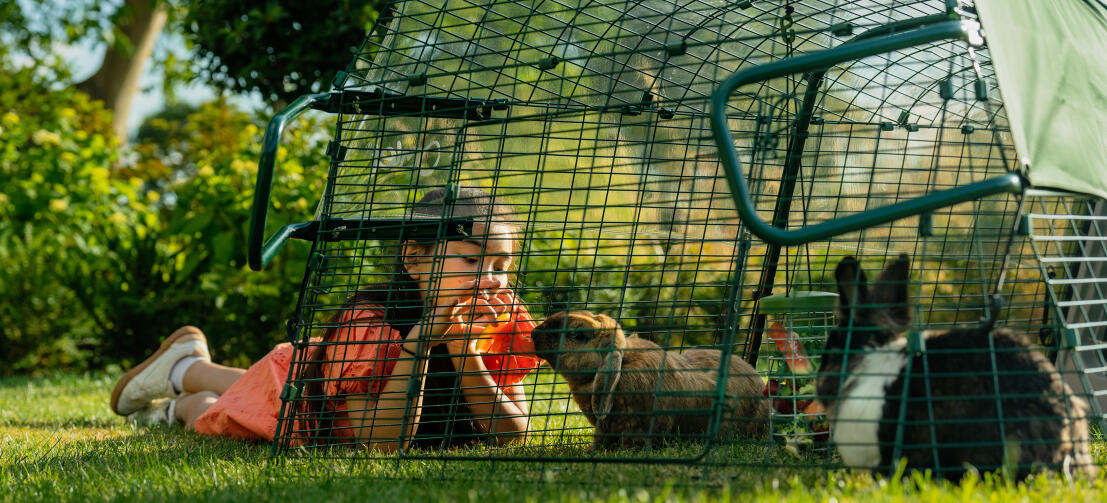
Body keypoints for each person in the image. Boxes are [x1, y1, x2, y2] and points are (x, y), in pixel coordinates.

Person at [109, 186, 541, 452]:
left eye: (502, 266)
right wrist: (421, 343)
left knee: (248, 384)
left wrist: (463, 350)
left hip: (310, 369)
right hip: (303, 400)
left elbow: (510, 433)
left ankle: (185, 365)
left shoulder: (501, 319)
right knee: (219, 415)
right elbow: (383, 443)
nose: (490, 280)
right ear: (414, 258)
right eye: (471, 261)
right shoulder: (370, 322)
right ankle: (181, 391)